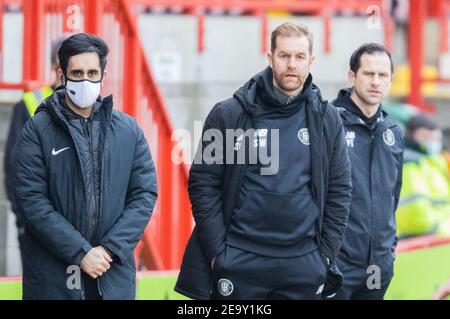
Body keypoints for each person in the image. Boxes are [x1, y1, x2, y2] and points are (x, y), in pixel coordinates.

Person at [175, 22, 352, 300]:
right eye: (284, 56)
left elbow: (340, 191)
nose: (291, 64)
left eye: (299, 57)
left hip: (303, 263)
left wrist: (324, 257)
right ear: (270, 58)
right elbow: (203, 184)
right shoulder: (229, 113)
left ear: (311, 61)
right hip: (239, 259)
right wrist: (218, 253)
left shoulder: (327, 118)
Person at [12, 33, 158, 300]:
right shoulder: (37, 130)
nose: (85, 80)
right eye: (76, 73)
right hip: (54, 278)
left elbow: (144, 194)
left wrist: (110, 250)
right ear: (61, 74)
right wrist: (81, 253)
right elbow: (31, 200)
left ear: (104, 73)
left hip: (112, 273)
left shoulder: (128, 130)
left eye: (92, 72)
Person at [332, 43, 404, 300]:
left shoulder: (393, 131)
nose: (376, 82)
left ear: (390, 81)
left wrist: (389, 252)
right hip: (336, 265)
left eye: (383, 75)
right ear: (352, 76)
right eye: (368, 74)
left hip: (379, 266)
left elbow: (393, 196)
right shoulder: (329, 123)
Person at [3, 35, 69, 264]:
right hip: (37, 226)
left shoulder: (96, 108)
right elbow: (14, 166)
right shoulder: (32, 103)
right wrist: (23, 217)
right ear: (54, 65)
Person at [396, 114, 450, 238]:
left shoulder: (434, 162)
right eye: (426, 137)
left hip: (439, 237)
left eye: (436, 138)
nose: (432, 143)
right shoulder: (409, 163)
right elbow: (415, 213)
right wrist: (441, 229)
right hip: (423, 239)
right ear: (410, 135)